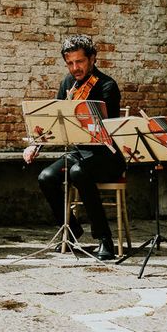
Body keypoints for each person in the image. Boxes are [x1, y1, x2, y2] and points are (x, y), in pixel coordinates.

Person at [23, 34, 126, 261]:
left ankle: (104, 238)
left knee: (78, 172)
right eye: (70, 63)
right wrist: (35, 145)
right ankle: (72, 229)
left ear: (92, 59)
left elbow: (105, 130)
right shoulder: (67, 84)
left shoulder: (107, 86)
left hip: (106, 155)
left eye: (79, 62)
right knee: (46, 177)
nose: (75, 68)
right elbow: (53, 122)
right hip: (80, 153)